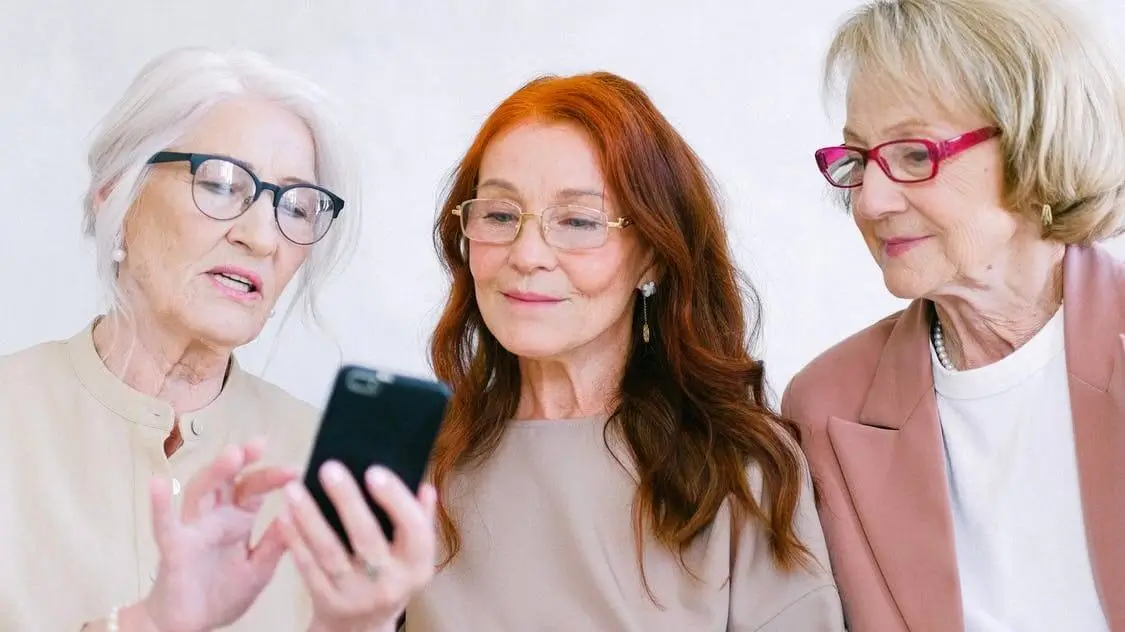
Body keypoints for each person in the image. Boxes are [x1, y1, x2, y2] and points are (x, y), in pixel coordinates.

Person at [0, 47, 435, 632]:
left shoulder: (324, 467)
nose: (262, 237)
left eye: (297, 205)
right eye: (223, 183)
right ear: (116, 196)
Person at [405, 71, 845, 631]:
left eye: (579, 221)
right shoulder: (414, 464)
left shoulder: (739, 470)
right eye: (498, 215)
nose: (528, 254)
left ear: (654, 255)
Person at [785, 0, 1125, 630]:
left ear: (1036, 141)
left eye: (916, 156)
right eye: (859, 160)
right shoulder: (825, 408)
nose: (872, 201)